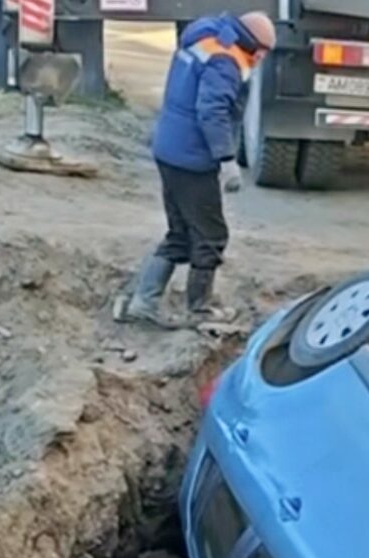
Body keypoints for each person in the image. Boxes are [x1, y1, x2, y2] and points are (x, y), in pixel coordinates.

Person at [116, 10, 276, 328]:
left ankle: (142, 302)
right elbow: (211, 111)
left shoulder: (205, 37)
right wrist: (227, 160)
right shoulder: (226, 62)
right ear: (253, 45)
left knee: (180, 233)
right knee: (211, 235)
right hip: (191, 159)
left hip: (169, 149)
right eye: (262, 53)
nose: (260, 60)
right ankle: (199, 309)